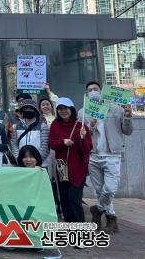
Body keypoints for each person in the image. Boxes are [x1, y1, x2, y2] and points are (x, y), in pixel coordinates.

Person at [78, 81, 133, 233]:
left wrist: (128, 116)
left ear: (102, 91)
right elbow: (82, 136)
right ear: (86, 93)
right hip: (93, 155)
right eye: (90, 90)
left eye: (95, 89)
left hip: (112, 154)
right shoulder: (82, 112)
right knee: (99, 190)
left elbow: (128, 131)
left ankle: (97, 209)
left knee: (109, 189)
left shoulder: (116, 109)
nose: (93, 92)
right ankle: (111, 219)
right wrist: (91, 125)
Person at [49, 97, 92, 223]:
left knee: (74, 199)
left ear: (71, 109)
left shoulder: (81, 126)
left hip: (78, 168)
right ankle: (70, 227)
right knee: (65, 200)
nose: (63, 111)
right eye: (60, 109)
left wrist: (83, 138)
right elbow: (51, 144)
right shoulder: (55, 125)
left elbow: (87, 149)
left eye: (66, 108)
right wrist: (62, 141)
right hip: (62, 168)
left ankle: (81, 229)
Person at [10, 99, 49, 164]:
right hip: (22, 164)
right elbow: (14, 145)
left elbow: (45, 146)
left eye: (31, 109)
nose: (28, 110)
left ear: (35, 111)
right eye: (25, 109)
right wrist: (19, 160)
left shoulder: (43, 126)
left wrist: (37, 161)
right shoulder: (15, 127)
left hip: (39, 165)